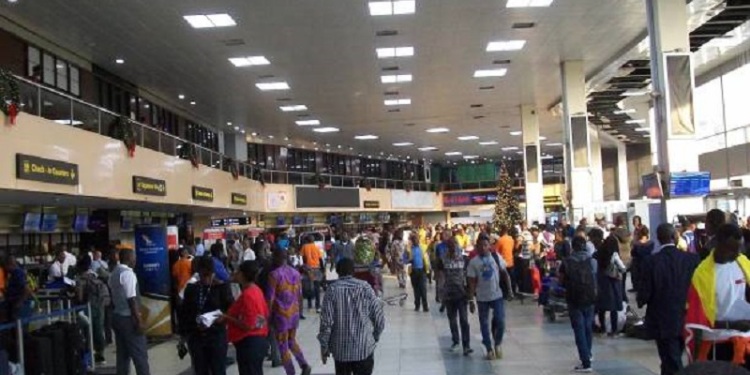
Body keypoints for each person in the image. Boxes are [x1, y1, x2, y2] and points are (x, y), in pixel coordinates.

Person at [685, 223, 750, 368]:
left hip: (744, 341)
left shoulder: (742, 263)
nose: (737, 253)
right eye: (732, 249)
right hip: (718, 344)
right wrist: (732, 324)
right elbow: (698, 322)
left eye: (739, 248)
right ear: (719, 243)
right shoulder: (702, 275)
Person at [638, 224, 700, 375]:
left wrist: (642, 300)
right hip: (687, 314)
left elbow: (645, 290)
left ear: (658, 239)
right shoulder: (691, 259)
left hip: (661, 317)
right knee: (673, 356)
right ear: (675, 237)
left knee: (670, 358)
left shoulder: (651, 261)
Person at [319, 258, 385, 375]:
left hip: (341, 353)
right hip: (364, 348)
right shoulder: (365, 287)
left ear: (338, 272)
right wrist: (375, 337)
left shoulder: (332, 290)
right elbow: (379, 317)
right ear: (353, 271)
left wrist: (324, 347)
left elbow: (326, 323)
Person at [178, 256, 233, 375]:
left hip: (216, 335)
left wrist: (223, 318)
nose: (205, 279)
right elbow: (184, 312)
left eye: (208, 275)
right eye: (203, 275)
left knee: (218, 369)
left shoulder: (221, 288)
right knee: (200, 369)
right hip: (196, 336)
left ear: (213, 273)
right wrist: (183, 336)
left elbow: (231, 309)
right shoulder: (192, 288)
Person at [267, 250, 312, 375]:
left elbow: (270, 298)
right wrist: (300, 311)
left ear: (277, 257)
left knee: (282, 345)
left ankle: (290, 372)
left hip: (280, 315)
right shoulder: (296, 273)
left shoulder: (274, 275)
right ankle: (304, 364)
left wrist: (267, 316)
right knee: (291, 340)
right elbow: (299, 295)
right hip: (294, 313)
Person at [467, 236, 511, 360]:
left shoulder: (496, 257)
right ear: (477, 247)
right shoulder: (474, 262)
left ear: (489, 246)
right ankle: (488, 348)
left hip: (497, 295)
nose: (483, 248)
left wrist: (510, 290)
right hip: (482, 298)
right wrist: (471, 300)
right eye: (480, 245)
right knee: (484, 323)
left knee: (500, 320)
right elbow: (471, 282)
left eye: (486, 245)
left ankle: (497, 343)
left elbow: (505, 274)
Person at [559, 236, 598, 373]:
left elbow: (561, 280)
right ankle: (589, 353)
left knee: (579, 329)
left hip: (574, 298)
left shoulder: (567, 262)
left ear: (572, 247)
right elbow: (595, 277)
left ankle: (585, 362)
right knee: (588, 327)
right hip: (590, 297)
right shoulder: (592, 261)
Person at [109, 249, 151, 375]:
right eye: (134, 257)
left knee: (122, 356)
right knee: (140, 355)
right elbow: (131, 299)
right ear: (128, 258)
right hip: (129, 319)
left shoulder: (113, 273)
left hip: (117, 316)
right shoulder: (128, 274)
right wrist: (138, 321)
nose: (135, 260)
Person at [224, 261, 270, 375]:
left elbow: (248, 325)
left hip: (250, 343)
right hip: (258, 340)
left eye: (238, 271)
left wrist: (227, 318)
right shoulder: (256, 290)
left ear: (243, 275)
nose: (236, 273)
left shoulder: (248, 295)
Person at [436, 237, 473, 355]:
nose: (452, 247)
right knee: (452, 320)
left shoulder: (464, 258)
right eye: (450, 245)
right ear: (447, 246)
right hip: (449, 294)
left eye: (454, 244)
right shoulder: (443, 259)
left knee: (464, 320)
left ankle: (466, 345)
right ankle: (456, 341)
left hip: (461, 294)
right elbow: (440, 275)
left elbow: (468, 275)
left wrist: (470, 294)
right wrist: (440, 291)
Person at [76, 255, 111, 364]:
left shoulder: (81, 279)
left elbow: (80, 297)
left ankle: (88, 355)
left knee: (86, 331)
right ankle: (100, 354)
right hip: (99, 306)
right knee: (99, 329)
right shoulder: (96, 274)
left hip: (87, 307)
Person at [594, 236, 626, 337]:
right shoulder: (614, 254)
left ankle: (602, 328)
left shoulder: (598, 253)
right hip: (613, 281)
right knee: (613, 307)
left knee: (602, 307)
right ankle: (614, 330)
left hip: (602, 281)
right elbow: (623, 268)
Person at [300, 235, 323, 313]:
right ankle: (318, 306)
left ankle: (310, 306)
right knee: (317, 287)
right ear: (313, 240)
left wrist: (304, 267)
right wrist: (322, 269)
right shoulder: (317, 247)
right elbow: (320, 259)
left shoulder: (304, 247)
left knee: (309, 287)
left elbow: (303, 258)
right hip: (316, 268)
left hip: (308, 269)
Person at [407, 234, 429, 312]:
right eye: (414, 240)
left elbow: (426, 258)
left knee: (423, 289)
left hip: (422, 270)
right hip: (413, 271)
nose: (416, 241)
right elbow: (405, 259)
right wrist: (409, 260)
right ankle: (417, 305)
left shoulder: (422, 248)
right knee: (416, 289)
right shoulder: (409, 249)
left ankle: (425, 306)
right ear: (412, 241)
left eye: (417, 239)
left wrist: (428, 270)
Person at [629, 226, 654, 292]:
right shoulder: (651, 243)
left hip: (637, 262)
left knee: (637, 277)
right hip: (648, 261)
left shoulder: (636, 244)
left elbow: (632, 253)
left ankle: (637, 289)